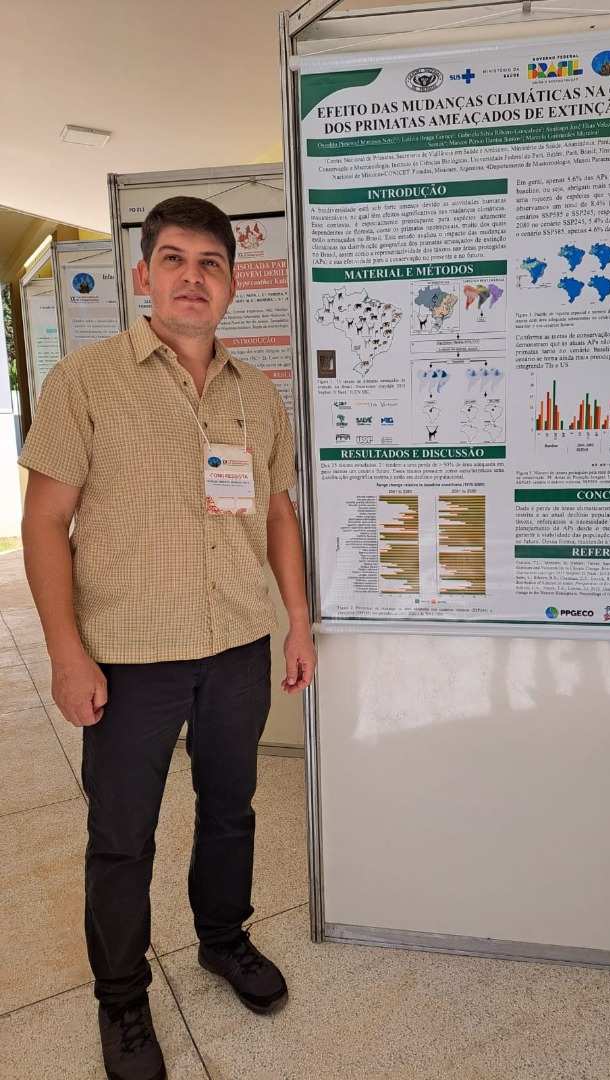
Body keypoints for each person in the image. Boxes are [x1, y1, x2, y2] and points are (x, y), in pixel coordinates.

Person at [19, 196, 317, 1080]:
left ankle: (223, 940)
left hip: (235, 645)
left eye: (211, 263)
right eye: (175, 260)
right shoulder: (85, 381)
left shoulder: (256, 393)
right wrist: (65, 653)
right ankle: (121, 1000)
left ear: (232, 284)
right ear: (144, 276)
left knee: (231, 809)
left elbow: (277, 511)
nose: (193, 277)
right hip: (128, 657)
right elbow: (44, 523)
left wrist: (297, 621)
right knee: (123, 837)